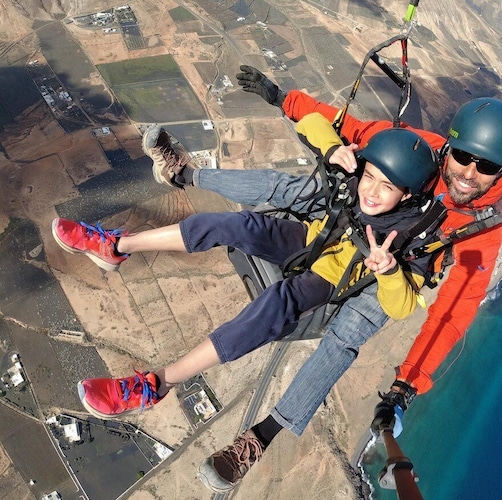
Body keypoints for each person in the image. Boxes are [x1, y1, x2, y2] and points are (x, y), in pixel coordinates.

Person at [145, 67, 502, 493]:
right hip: (358, 226)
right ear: (450, 146)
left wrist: (405, 387)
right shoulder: (425, 151)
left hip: (396, 273)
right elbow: (354, 128)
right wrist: (282, 98)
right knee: (285, 188)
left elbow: (452, 315)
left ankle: (258, 439)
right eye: (463, 156)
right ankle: (184, 175)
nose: (469, 173)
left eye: (486, 165)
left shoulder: (483, 233)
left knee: (347, 334)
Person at [52, 120, 440, 423]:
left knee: (278, 303)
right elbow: (311, 124)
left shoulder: (409, 234)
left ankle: (155, 385)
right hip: (311, 237)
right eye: (369, 176)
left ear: (406, 195)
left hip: (333, 277)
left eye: (386, 187)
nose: (370, 191)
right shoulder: (358, 179)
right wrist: (335, 147)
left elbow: (403, 306)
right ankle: (115, 246)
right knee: (236, 225)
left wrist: (388, 271)